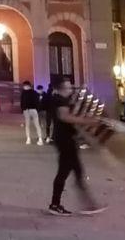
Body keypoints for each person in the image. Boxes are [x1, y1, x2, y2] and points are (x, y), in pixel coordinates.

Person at [46, 78, 106, 216]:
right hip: (65, 141)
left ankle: (87, 204)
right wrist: (89, 121)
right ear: (61, 89)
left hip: (67, 140)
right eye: (68, 88)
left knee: (75, 171)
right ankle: (57, 204)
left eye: (71, 87)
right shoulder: (59, 100)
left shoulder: (63, 100)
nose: (71, 90)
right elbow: (65, 117)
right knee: (65, 172)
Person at [20, 80, 44, 145]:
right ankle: (39, 139)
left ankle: (29, 139)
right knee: (36, 125)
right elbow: (37, 102)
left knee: (28, 125)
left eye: (24, 86)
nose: (24, 87)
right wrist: (37, 109)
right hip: (32, 110)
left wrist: (22, 110)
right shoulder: (34, 93)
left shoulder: (24, 93)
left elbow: (22, 102)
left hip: (28, 110)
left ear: (26, 86)